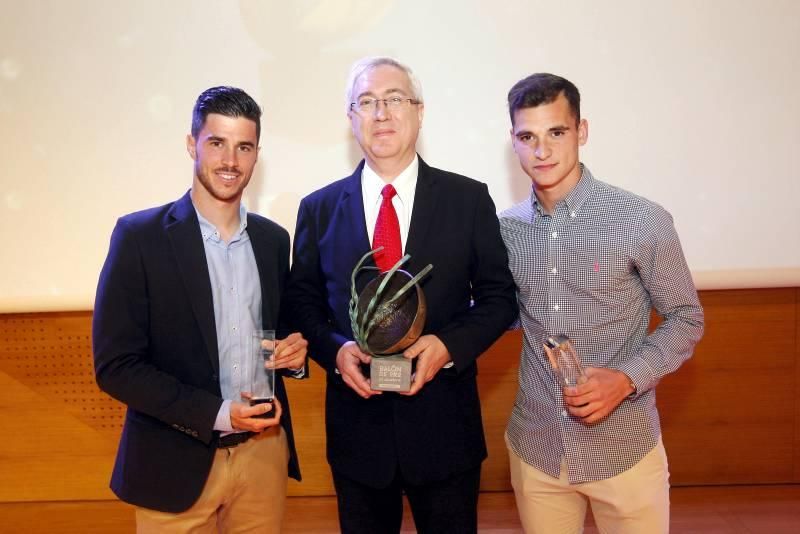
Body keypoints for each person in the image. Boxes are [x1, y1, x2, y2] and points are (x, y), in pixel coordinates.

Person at [286, 57, 517, 534]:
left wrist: (448, 346)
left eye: (394, 99)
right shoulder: (319, 209)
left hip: (445, 431)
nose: (381, 113)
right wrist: (336, 350)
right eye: (366, 103)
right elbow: (303, 302)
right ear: (351, 120)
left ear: (419, 111)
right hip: (357, 436)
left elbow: (499, 298)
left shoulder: (468, 200)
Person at [93, 86, 308, 533]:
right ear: (192, 144)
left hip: (262, 456)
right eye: (217, 143)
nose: (231, 161)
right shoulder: (139, 237)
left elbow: (278, 336)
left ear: (256, 155)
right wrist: (217, 414)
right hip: (172, 462)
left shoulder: (273, 241)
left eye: (243, 147)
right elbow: (116, 366)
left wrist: (294, 357)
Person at [500, 72, 705, 533]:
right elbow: (507, 313)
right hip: (538, 449)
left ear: (582, 131)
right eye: (527, 137)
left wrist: (626, 379)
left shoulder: (642, 219)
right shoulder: (505, 229)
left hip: (624, 449)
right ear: (513, 142)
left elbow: (686, 318)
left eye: (557, 132)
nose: (543, 151)